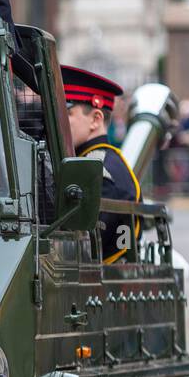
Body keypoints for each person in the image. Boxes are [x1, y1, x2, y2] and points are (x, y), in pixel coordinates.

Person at [61, 65, 139, 264]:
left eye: (67, 113)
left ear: (96, 119)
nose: (58, 120)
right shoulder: (101, 160)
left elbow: (87, 249)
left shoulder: (98, 170)